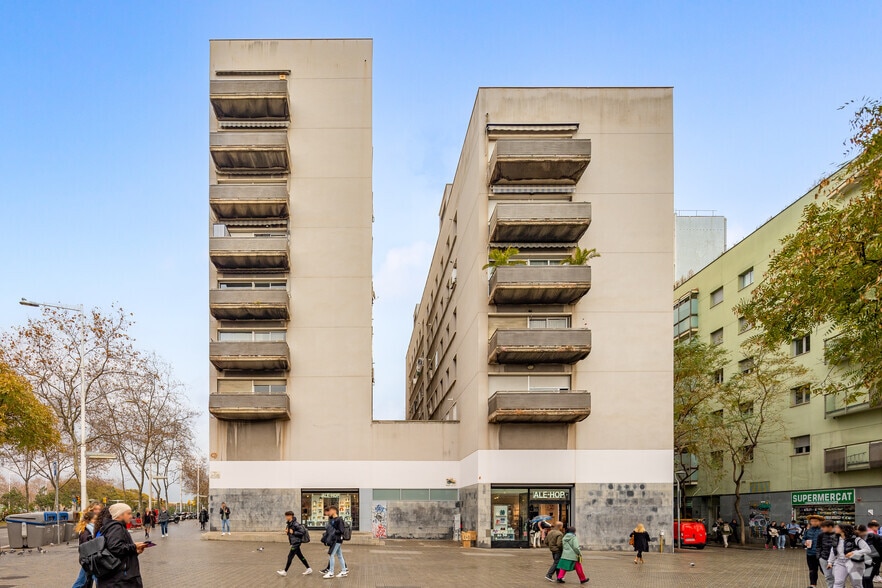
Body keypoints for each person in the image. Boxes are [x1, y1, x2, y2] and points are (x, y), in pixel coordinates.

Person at [97, 503, 148, 588]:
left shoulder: (109, 527)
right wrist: (134, 546)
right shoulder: (116, 528)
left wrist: (135, 551)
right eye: (128, 513)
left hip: (117, 578)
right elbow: (115, 548)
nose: (131, 516)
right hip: (121, 579)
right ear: (119, 515)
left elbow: (117, 551)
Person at [828, 523, 870, 588]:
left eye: (837, 527)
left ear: (843, 529)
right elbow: (833, 551)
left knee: (856, 584)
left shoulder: (856, 539)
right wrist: (830, 562)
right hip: (839, 562)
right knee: (838, 582)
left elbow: (867, 550)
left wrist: (854, 553)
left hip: (854, 563)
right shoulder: (836, 539)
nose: (835, 529)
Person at [277, 510, 312, 577]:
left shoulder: (295, 524)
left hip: (297, 542)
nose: (286, 517)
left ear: (291, 516)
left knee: (290, 556)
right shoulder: (289, 524)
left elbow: (302, 533)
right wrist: (287, 532)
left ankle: (285, 571)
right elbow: (290, 534)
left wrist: (293, 532)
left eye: (287, 516)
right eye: (286, 515)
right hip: (294, 542)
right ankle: (309, 568)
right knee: (300, 556)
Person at [72, 511, 97, 588]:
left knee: (83, 580)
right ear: (89, 520)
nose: (96, 521)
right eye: (95, 519)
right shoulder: (86, 531)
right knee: (82, 581)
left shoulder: (90, 530)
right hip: (89, 559)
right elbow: (85, 546)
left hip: (89, 559)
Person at [322, 506, 348, 579]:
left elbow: (341, 531)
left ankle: (331, 572)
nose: (328, 512)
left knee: (331, 554)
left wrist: (332, 531)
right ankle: (344, 571)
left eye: (329, 511)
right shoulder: (332, 519)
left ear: (334, 511)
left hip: (337, 540)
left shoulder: (339, 520)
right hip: (334, 539)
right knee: (339, 555)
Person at [803, 515, 824, 588]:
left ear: (820, 522)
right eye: (812, 521)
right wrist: (804, 542)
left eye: (815, 521)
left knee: (824, 570)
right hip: (810, 553)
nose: (813, 523)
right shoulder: (808, 531)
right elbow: (804, 538)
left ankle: (834, 584)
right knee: (812, 570)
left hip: (821, 554)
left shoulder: (823, 530)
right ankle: (813, 585)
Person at [818, 520, 838, 588]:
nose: (822, 529)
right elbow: (818, 546)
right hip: (824, 558)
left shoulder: (838, 534)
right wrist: (819, 556)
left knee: (838, 577)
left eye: (823, 527)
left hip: (836, 559)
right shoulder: (821, 535)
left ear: (830, 527)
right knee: (828, 576)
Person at [865, 521, 882, 587]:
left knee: (867, 577)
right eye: (877, 527)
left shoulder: (866, 534)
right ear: (873, 527)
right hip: (873, 559)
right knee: (868, 577)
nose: (877, 529)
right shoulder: (872, 535)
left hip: (868, 559)